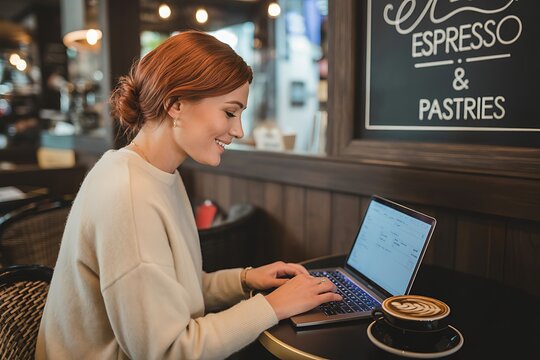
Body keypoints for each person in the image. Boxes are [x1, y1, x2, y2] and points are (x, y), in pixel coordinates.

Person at [36, 30, 341, 360]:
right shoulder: (128, 193)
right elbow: (168, 351)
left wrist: (245, 279)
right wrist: (271, 306)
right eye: (229, 112)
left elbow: (176, 291)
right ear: (176, 104)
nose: (239, 130)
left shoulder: (159, 173)